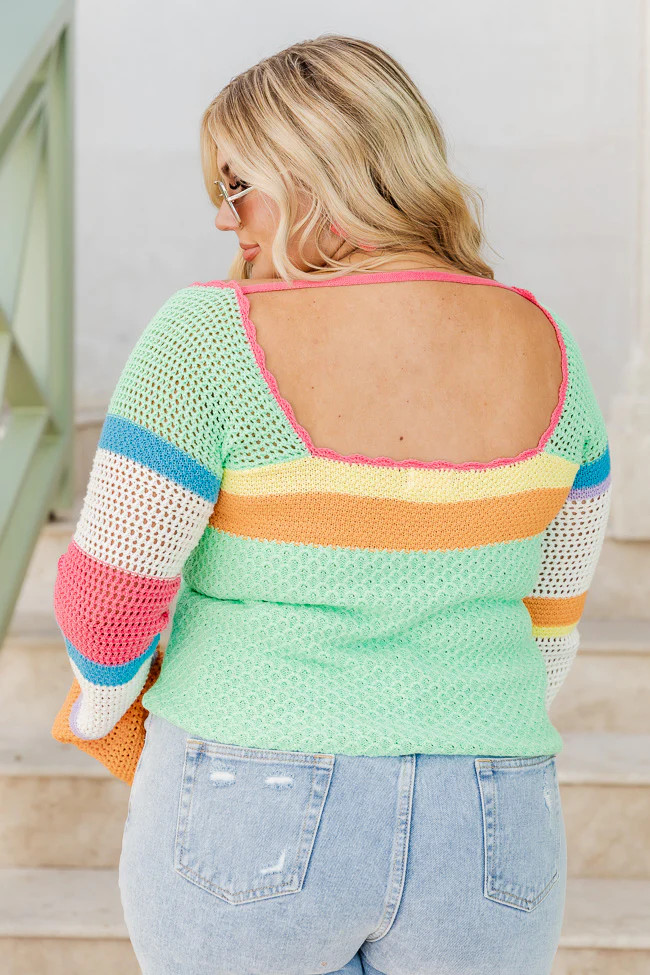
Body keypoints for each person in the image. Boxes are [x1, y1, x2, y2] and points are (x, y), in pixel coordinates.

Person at [53, 33, 611, 975]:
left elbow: (110, 599)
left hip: (251, 787)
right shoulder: (547, 342)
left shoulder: (210, 336)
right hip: (493, 812)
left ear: (319, 173)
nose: (225, 218)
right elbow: (551, 620)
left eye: (239, 185)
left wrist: (104, 709)